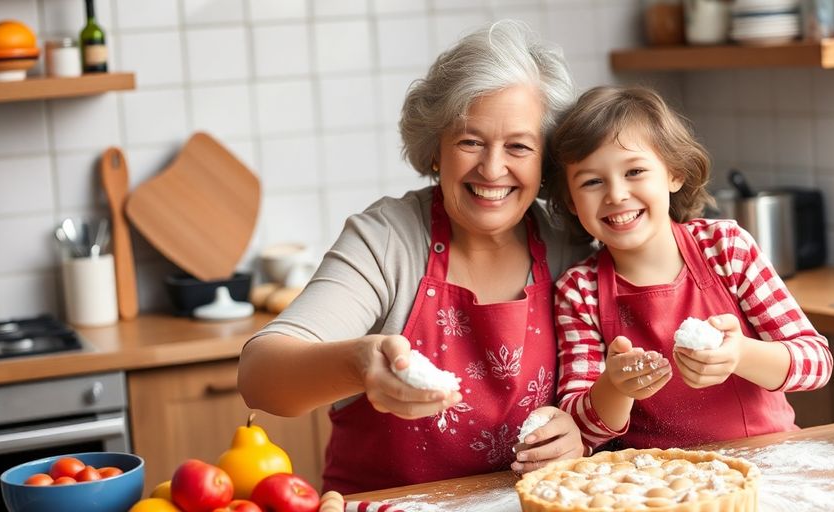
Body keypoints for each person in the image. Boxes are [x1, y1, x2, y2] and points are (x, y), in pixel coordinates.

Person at [238, 20, 593, 494]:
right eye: (470, 141)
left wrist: (580, 433)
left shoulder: (570, 244)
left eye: (518, 147)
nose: (492, 168)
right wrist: (360, 366)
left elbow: (612, 389)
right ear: (434, 151)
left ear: (544, 161)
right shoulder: (387, 241)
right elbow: (259, 375)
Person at [543, 85, 832, 451]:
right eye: (592, 181)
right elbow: (580, 429)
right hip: (655, 486)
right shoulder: (578, 291)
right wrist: (614, 387)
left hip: (768, 463)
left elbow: (816, 363)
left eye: (634, 171)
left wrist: (740, 354)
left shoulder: (726, 248)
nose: (615, 194)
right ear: (570, 200)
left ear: (674, 173)